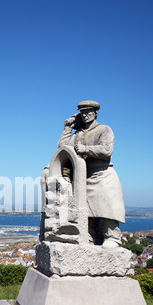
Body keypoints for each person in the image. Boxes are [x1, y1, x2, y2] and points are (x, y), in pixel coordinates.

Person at [58, 100, 125, 249]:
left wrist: (85, 148)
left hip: (103, 174)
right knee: (85, 211)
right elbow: (62, 148)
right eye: (82, 113)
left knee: (108, 205)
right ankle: (88, 237)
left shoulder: (104, 130)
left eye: (88, 112)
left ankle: (112, 236)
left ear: (95, 113)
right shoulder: (77, 134)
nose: (85, 115)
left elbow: (107, 150)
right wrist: (68, 128)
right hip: (84, 177)